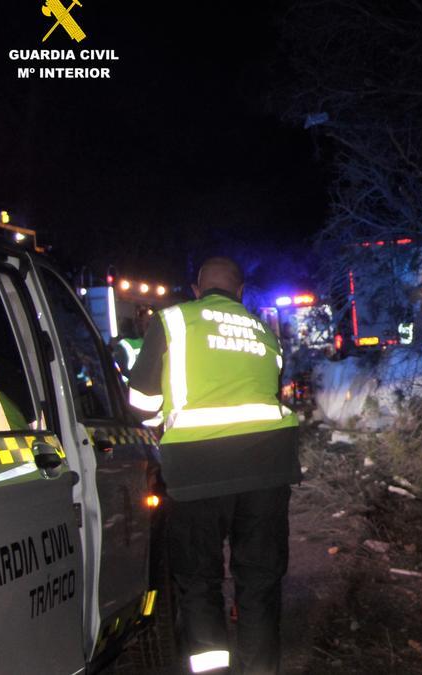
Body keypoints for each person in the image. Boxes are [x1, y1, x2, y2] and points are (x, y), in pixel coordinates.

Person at [128, 257, 300, 674]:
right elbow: (273, 393)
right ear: (240, 292)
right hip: (268, 465)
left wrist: (163, 422)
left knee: (199, 582)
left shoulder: (173, 321)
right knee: (259, 582)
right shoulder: (264, 330)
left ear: (196, 289)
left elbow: (141, 404)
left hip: (196, 468)